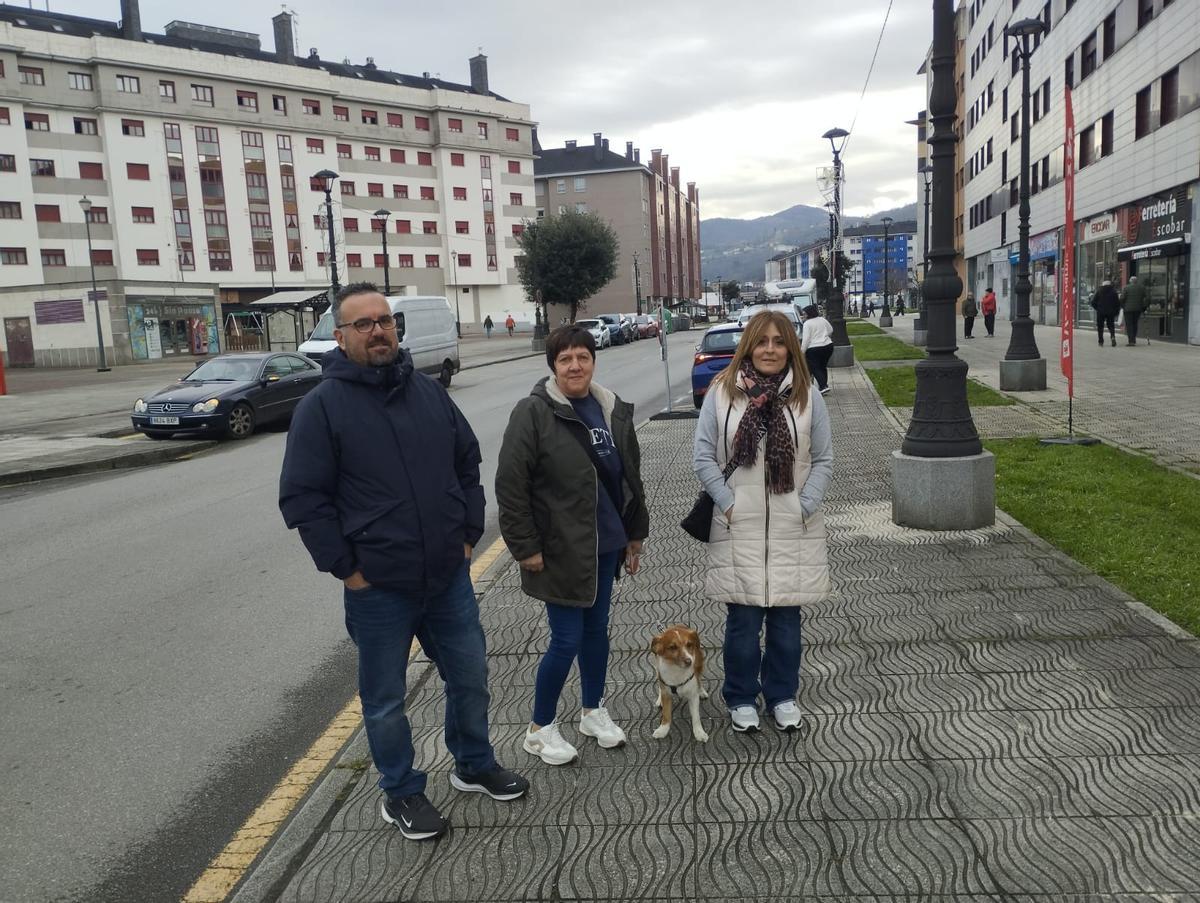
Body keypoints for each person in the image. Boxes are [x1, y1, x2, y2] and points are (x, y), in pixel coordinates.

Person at [279, 282, 527, 842]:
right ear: (341, 338)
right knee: (386, 699)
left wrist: (468, 533)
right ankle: (401, 792)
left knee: (471, 677)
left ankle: (472, 763)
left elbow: (467, 461)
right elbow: (302, 498)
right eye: (363, 324)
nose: (377, 330)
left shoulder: (427, 392)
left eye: (384, 320)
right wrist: (347, 568)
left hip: (446, 576)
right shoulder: (321, 409)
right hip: (378, 588)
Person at [496, 325, 649, 765]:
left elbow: (629, 477)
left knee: (597, 633)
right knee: (565, 639)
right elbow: (511, 484)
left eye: (582, 356)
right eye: (565, 359)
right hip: (559, 548)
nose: (575, 365)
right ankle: (539, 728)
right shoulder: (533, 412)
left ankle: (592, 711)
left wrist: (634, 533)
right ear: (553, 366)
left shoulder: (610, 408)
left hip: (604, 545)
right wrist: (525, 547)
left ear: (593, 360)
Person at [692, 311, 833, 733]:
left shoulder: (808, 395)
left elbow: (824, 458)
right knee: (743, 623)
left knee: (787, 624)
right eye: (761, 341)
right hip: (740, 525)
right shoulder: (722, 394)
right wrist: (728, 504)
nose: (770, 349)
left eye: (778, 341)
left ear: (791, 346)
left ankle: (782, 694)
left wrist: (804, 505)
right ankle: (740, 696)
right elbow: (703, 456)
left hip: (795, 527)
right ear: (748, 346)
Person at [800, 303, 834, 396]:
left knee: (815, 367)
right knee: (822, 366)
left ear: (809, 313)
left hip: (814, 349)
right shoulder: (822, 320)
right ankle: (823, 387)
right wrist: (824, 336)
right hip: (828, 346)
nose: (804, 316)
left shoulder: (807, 324)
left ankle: (823, 386)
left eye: (805, 314)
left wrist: (802, 352)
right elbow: (830, 330)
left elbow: (806, 340)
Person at [1090, 280, 1120, 347]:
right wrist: (1116, 312)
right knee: (1111, 326)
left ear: (1103, 285)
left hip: (1101, 312)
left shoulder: (1099, 291)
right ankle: (1112, 337)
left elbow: (1093, 302)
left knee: (1100, 327)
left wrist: (1097, 308)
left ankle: (1101, 341)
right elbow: (1117, 303)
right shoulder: (1114, 292)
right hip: (1110, 312)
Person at [1120, 276, 1148, 345]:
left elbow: (1122, 298)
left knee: (1129, 325)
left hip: (1128, 310)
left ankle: (1131, 341)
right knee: (1135, 324)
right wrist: (1144, 306)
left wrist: (1123, 306)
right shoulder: (1142, 288)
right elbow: (1148, 298)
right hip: (1138, 309)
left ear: (1130, 281)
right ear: (1136, 281)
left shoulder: (1126, 288)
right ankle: (1133, 339)